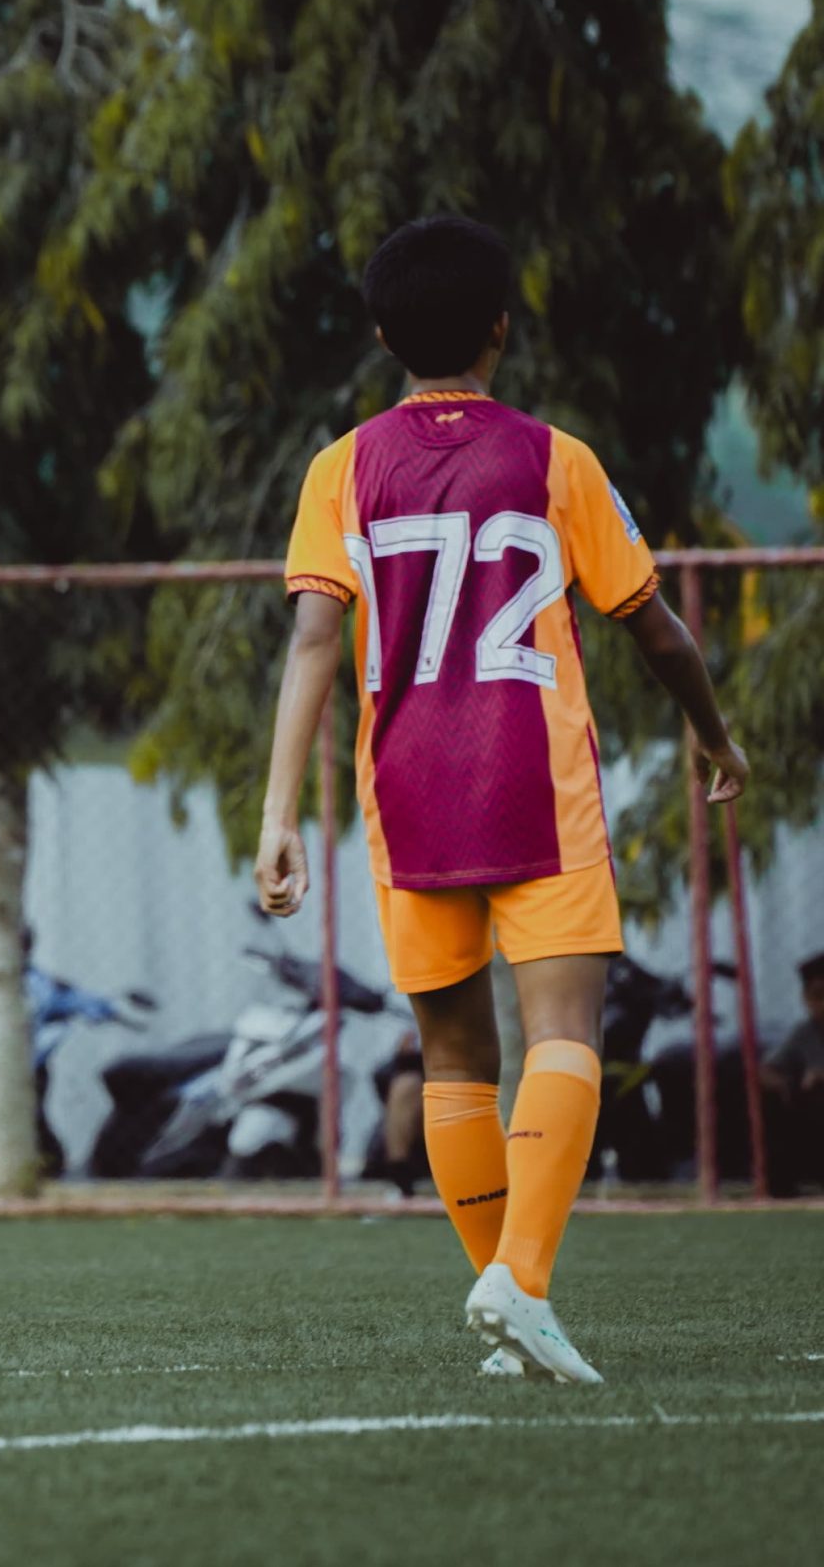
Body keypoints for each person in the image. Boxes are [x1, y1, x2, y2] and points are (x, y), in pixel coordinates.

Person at [255, 217, 750, 1385]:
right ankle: (520, 1284)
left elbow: (313, 639)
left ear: (381, 336)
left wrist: (279, 811)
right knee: (563, 1033)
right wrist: (711, 729)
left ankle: (511, 1302)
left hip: (409, 789)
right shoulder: (554, 456)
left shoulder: (341, 466)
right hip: (535, 778)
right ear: (501, 325)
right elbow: (655, 624)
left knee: (453, 1058)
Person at [758, 952, 824, 1194]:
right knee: (772, 1100)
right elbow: (766, 1069)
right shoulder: (805, 1033)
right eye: (818, 996)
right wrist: (780, 1083)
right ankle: (782, 1187)